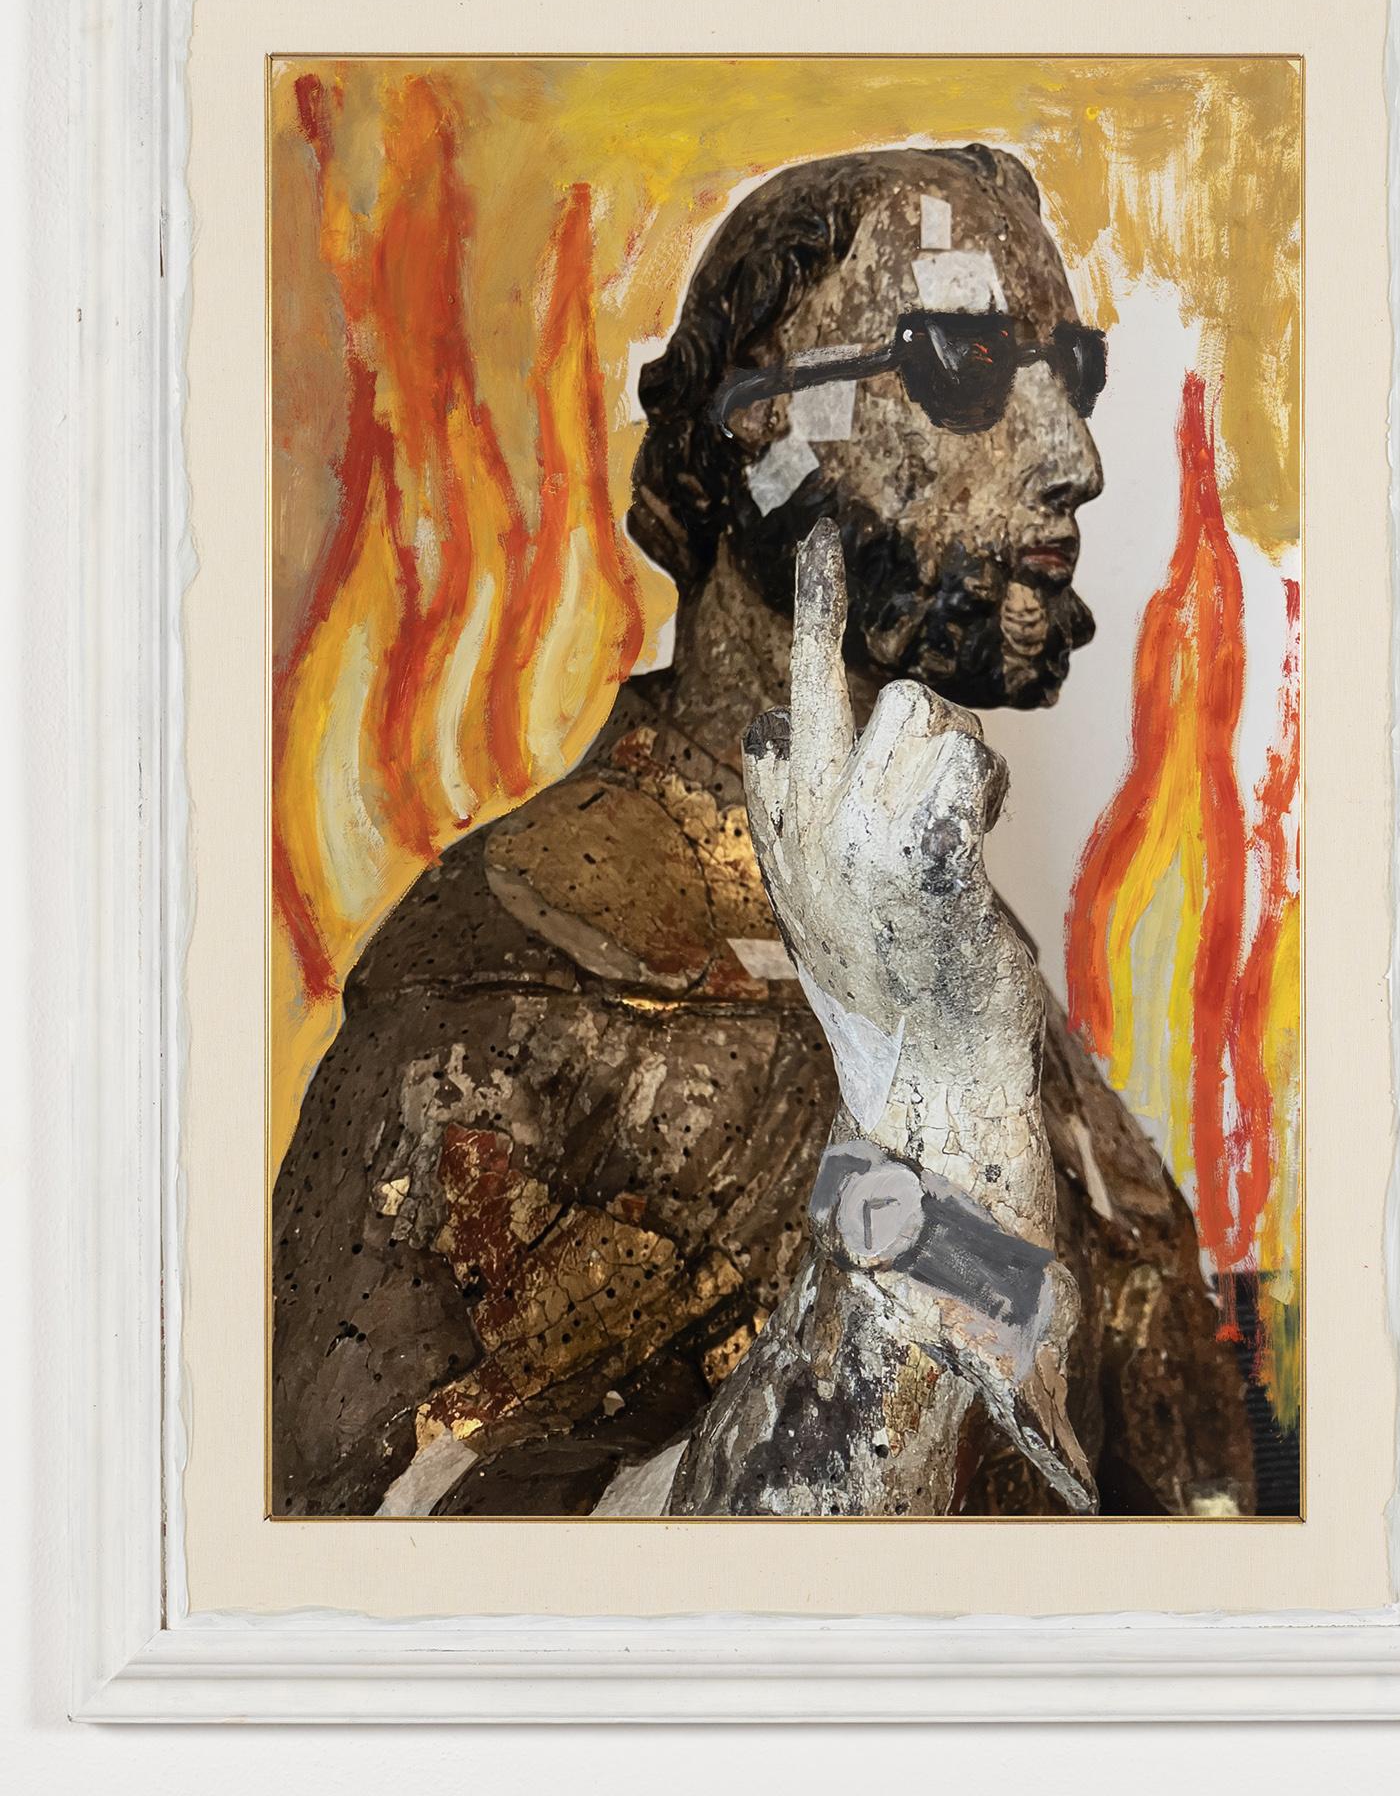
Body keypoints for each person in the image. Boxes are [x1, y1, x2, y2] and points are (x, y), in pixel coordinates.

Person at [271, 144, 1254, 1518]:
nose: (1073, 459)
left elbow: (1157, 1487)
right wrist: (923, 1141)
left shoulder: (963, 961)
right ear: (760, 425)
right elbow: (393, 1584)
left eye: (1070, 375)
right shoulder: (501, 982)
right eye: (963, 365)